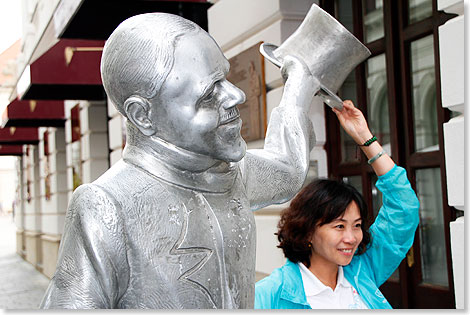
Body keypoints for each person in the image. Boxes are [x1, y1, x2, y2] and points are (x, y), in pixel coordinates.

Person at [40, 13, 319, 309]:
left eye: (225, 77)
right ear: (142, 116)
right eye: (208, 94)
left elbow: (287, 171)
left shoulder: (233, 174)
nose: (236, 95)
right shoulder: (107, 206)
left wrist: (297, 91)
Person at [255, 100, 420, 309]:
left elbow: (404, 208)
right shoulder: (270, 296)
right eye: (339, 226)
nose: (351, 238)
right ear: (307, 231)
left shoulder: (362, 271)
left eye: (357, 225)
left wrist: (365, 139)